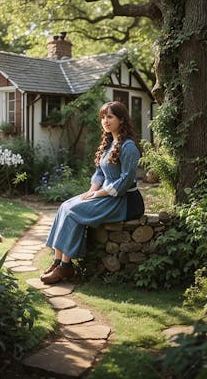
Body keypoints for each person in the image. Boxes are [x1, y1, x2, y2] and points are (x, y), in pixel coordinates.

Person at [40, 100, 142, 284]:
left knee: (74, 212)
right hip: (106, 194)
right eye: (103, 117)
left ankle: (66, 267)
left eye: (110, 116)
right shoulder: (110, 143)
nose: (105, 120)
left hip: (125, 200)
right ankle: (57, 262)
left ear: (121, 119)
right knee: (65, 206)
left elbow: (126, 181)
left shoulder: (129, 147)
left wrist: (98, 194)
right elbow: (100, 173)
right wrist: (91, 192)